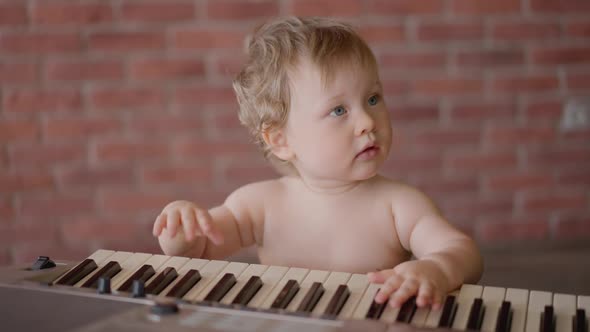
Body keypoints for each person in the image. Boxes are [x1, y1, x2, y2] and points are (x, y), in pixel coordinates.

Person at [153, 16, 483, 310]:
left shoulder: (398, 205)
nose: (367, 120)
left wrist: (437, 269)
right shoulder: (259, 205)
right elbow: (200, 249)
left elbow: (463, 251)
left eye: (372, 98)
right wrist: (181, 230)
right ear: (281, 140)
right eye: (338, 110)